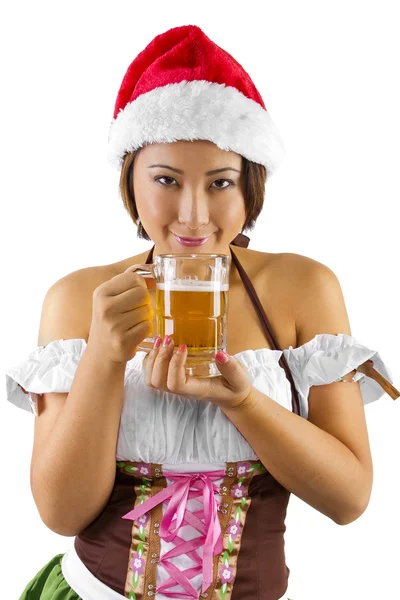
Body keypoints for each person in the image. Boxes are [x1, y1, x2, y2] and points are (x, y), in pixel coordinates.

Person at [5, 24, 398, 600]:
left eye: (220, 183)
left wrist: (242, 402)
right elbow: (63, 513)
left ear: (251, 186)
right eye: (166, 179)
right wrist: (104, 359)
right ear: (130, 181)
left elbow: (348, 499)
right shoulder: (79, 297)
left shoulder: (303, 287)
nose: (193, 216)